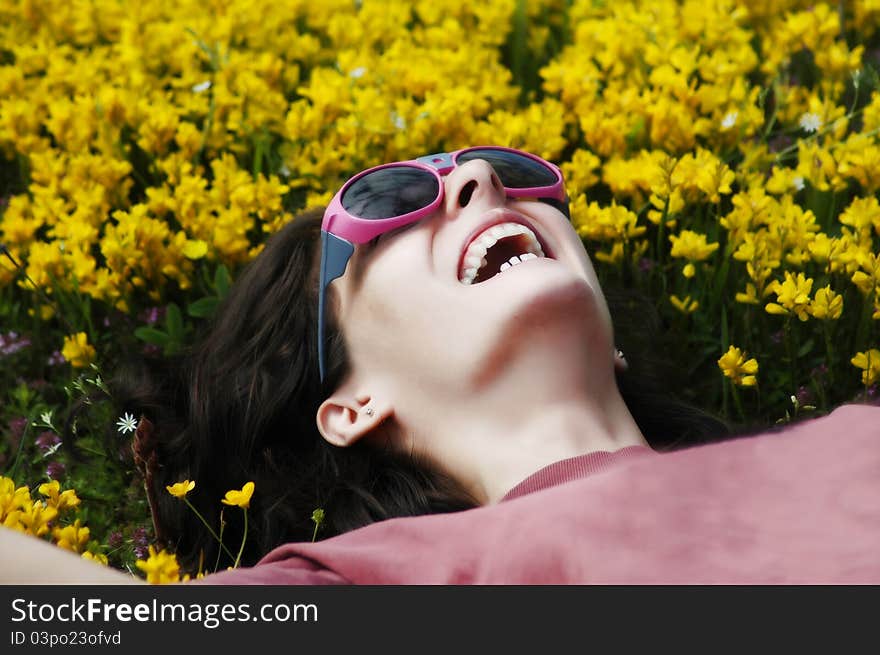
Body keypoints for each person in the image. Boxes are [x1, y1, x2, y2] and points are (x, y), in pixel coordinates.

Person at [1, 146, 878, 584]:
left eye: (508, 167)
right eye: (388, 201)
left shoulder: (856, 438)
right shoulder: (370, 583)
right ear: (351, 402)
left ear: (611, 341)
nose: (481, 186)